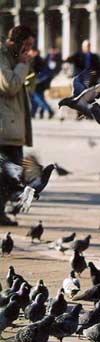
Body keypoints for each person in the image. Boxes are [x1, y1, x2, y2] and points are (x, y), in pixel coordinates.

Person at [0, 25, 35, 226]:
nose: (28, 51)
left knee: (10, 175)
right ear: (16, 42)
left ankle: (2, 212)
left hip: (11, 126)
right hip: (4, 127)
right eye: (27, 45)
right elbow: (9, 85)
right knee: (7, 174)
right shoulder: (2, 56)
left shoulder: (12, 57)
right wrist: (22, 65)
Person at [29, 47, 54, 119]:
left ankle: (48, 110)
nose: (29, 53)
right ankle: (35, 113)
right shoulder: (40, 59)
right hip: (41, 82)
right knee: (38, 98)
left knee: (37, 98)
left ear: (34, 52)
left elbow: (34, 72)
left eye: (30, 51)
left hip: (37, 82)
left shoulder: (35, 60)